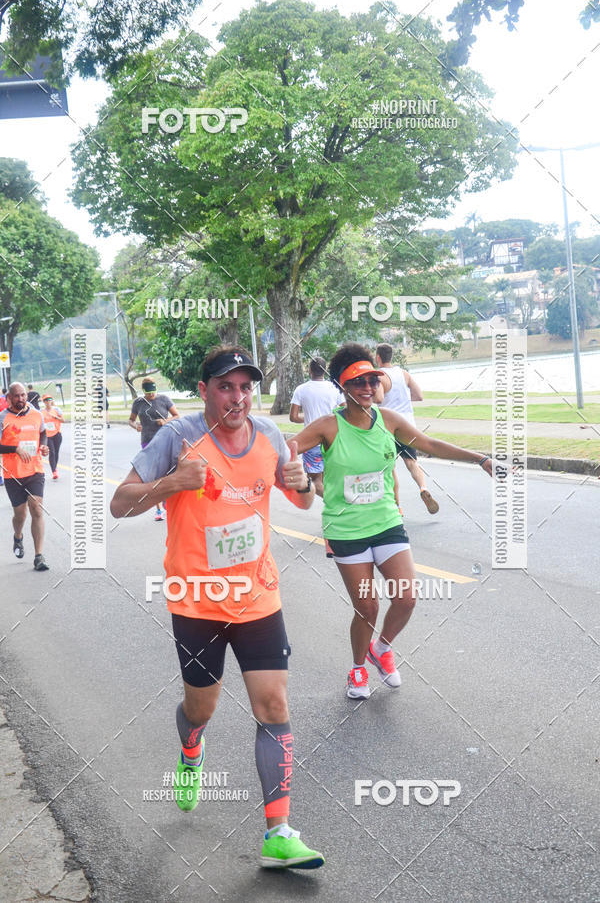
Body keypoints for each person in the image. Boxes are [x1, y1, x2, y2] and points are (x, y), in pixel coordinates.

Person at [111, 346, 324, 870]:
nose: (238, 397)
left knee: (274, 707)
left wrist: (304, 486)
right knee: (201, 708)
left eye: (245, 386)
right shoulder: (178, 437)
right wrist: (171, 483)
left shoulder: (270, 435)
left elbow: (301, 499)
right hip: (197, 602)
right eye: (226, 386)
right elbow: (120, 502)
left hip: (258, 596)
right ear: (204, 390)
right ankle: (191, 748)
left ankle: (278, 831)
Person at [291, 343, 492, 700]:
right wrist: (291, 476)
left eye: (372, 380)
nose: (367, 388)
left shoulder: (388, 421)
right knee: (367, 606)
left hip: (386, 521)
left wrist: (481, 460)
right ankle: (356, 669)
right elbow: (286, 449)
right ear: (342, 386)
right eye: (358, 382)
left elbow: (429, 444)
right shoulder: (327, 427)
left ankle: (381, 648)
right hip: (346, 528)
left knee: (407, 598)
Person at [375, 343, 439, 514]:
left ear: (378, 357)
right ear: (391, 356)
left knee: (390, 467)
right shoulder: (403, 373)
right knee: (411, 462)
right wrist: (402, 399)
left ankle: (398, 506)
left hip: (389, 427)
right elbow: (419, 396)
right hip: (408, 425)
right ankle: (423, 488)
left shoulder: (380, 376)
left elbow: (379, 398)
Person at [0, 382, 50, 570]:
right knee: (20, 515)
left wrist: (44, 445)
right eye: (16, 396)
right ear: (9, 398)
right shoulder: (2, 418)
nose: (21, 399)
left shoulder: (36, 414)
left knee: (36, 509)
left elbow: (43, 432)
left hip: (35, 470)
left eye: (23, 395)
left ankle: (39, 556)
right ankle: (18, 536)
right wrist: (15, 449)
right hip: (13, 474)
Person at [289, 357, 343, 497]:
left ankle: (336, 505)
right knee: (330, 478)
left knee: (315, 480)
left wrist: (308, 419)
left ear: (310, 370)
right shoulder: (335, 387)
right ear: (325, 370)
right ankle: (339, 506)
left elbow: (293, 417)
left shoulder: (301, 390)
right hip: (333, 439)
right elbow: (345, 410)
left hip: (312, 440)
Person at [129, 378, 180, 520]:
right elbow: (131, 420)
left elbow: (176, 415)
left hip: (165, 440)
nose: (151, 395)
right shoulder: (138, 403)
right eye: (148, 393)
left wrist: (165, 421)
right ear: (144, 391)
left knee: (167, 473)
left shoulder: (164, 399)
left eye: (153, 392)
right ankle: (158, 510)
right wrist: (135, 426)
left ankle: (168, 501)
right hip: (147, 442)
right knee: (152, 476)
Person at [41, 394, 64, 479]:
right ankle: (54, 471)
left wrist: (56, 417)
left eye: (49, 399)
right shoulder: (41, 412)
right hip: (47, 436)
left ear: (52, 400)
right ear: (43, 402)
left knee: (56, 453)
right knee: (52, 453)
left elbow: (63, 420)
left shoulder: (57, 410)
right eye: (46, 400)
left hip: (57, 434)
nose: (48, 401)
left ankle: (55, 468)